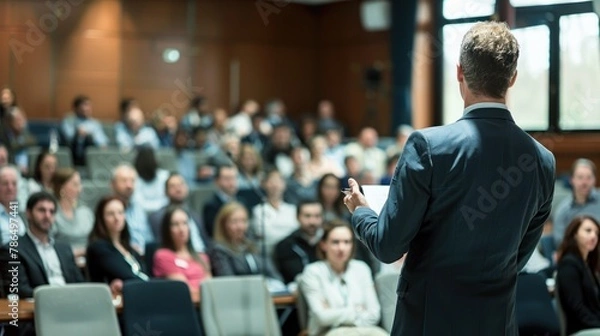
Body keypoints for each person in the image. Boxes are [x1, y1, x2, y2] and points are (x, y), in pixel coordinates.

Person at [342, 21, 556, 335]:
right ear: (512, 79)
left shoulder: (427, 147)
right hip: (497, 323)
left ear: (459, 72)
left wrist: (360, 211)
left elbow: (388, 246)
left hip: (430, 322)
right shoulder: (542, 160)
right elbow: (518, 256)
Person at [299, 220, 386, 336]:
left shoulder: (361, 268)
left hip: (363, 329)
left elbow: (374, 314)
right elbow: (322, 317)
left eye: (347, 242)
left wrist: (333, 312)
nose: (342, 248)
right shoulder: (313, 272)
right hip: (327, 332)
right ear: (323, 245)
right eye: (335, 242)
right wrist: (357, 310)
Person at [0, 192, 83, 298]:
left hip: (71, 304)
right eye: (42, 210)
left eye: (51, 212)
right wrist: (55, 296)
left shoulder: (64, 249)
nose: (47, 216)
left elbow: (80, 283)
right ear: (28, 213)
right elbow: (19, 290)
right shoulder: (13, 249)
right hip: (40, 307)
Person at [87, 196, 149, 295]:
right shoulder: (98, 247)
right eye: (110, 214)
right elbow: (126, 275)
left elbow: (144, 273)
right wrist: (151, 285)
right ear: (101, 218)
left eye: (120, 212)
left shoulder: (130, 248)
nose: (117, 218)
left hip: (139, 294)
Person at [153, 206, 212, 296]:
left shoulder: (202, 256)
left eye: (185, 223)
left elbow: (211, 287)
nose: (181, 229)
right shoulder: (163, 256)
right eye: (175, 224)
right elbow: (184, 290)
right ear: (167, 229)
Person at [556, 216, 600, 335]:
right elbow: (577, 308)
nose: (593, 236)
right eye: (588, 231)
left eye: (596, 232)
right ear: (575, 234)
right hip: (581, 329)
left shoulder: (588, 265)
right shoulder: (568, 265)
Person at [553, 158, 600, 246]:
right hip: (578, 255)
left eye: (589, 177)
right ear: (572, 180)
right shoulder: (563, 210)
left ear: (594, 180)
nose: (584, 182)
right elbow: (560, 243)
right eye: (580, 177)